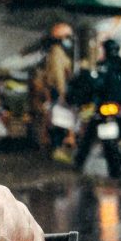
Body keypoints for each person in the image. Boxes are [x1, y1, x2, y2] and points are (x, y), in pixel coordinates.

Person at [41, 23, 75, 160]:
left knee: (58, 119)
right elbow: (58, 75)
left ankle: (57, 149)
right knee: (60, 120)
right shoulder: (56, 52)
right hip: (57, 90)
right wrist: (62, 93)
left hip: (56, 90)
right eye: (67, 37)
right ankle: (57, 150)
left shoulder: (57, 51)